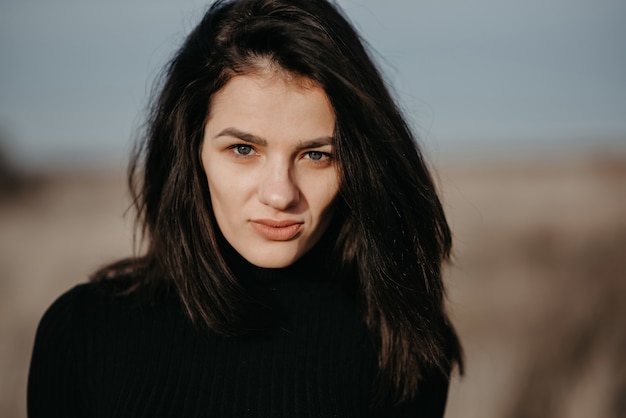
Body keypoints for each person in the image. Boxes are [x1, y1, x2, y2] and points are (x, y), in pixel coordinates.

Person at [28, 0, 463, 416]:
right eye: (242, 149)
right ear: (191, 150)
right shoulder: (83, 332)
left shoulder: (402, 343)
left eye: (317, 155)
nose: (280, 194)